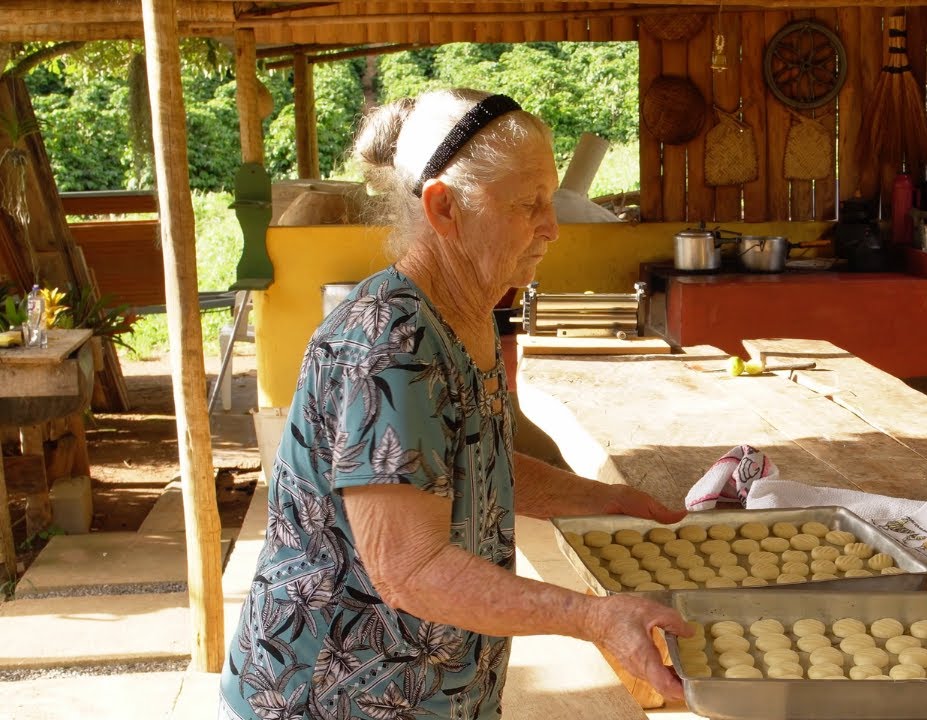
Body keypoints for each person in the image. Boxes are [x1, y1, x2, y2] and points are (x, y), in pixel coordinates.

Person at [220, 88, 690, 720]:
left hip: (426, 691)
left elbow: (471, 466)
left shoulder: (466, 314)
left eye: (550, 200)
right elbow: (409, 570)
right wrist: (592, 618)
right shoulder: (391, 344)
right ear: (444, 208)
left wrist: (606, 501)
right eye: (527, 204)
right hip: (332, 697)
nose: (551, 227)